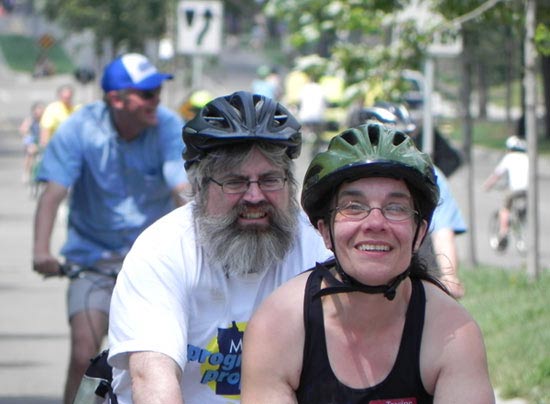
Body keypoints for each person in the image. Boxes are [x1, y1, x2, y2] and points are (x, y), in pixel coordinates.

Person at [241, 123, 495, 403]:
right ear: (325, 231)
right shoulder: (278, 325)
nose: (375, 223)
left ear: (420, 232)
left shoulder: (451, 331)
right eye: (354, 206)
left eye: (395, 208)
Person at [107, 91, 333, 404]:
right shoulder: (161, 250)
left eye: (269, 180)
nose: (254, 197)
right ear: (199, 187)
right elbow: (152, 379)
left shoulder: (318, 248)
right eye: (235, 182)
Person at [32, 53, 189, 404]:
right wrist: (41, 251)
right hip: (94, 260)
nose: (157, 100)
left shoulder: (168, 126)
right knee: (83, 351)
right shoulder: (79, 128)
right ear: (116, 99)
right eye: (146, 94)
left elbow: (183, 190)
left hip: (154, 266)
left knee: (158, 359)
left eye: (157, 92)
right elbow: (54, 192)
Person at [356, 104, 467, 298]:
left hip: (413, 278)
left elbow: (442, 231)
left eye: (402, 141)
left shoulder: (429, 177)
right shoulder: (337, 178)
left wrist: (449, 277)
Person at [482, 135, 528, 251]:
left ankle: (503, 232)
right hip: (527, 190)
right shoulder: (526, 157)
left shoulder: (509, 157)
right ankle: (521, 225)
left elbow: (497, 175)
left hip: (514, 190)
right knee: (522, 211)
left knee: (505, 208)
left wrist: (487, 185)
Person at [19, 101, 45, 183]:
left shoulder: (46, 119)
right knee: (30, 153)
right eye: (38, 109)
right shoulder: (30, 120)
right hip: (32, 139)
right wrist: (28, 138)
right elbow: (23, 130)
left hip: (43, 140)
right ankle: (26, 172)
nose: (40, 112)